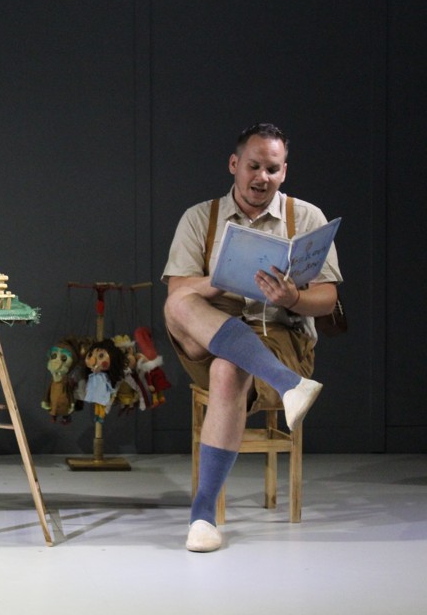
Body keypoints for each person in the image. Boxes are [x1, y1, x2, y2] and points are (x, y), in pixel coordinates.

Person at [162, 123, 342, 552]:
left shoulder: (306, 218)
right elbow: (178, 294)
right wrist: (221, 279)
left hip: (281, 337)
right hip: (208, 333)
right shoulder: (200, 218)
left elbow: (329, 299)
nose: (262, 177)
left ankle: (202, 516)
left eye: (272, 169)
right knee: (179, 304)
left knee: (229, 369)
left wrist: (293, 296)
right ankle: (291, 386)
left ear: (284, 172)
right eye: (254, 166)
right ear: (234, 164)